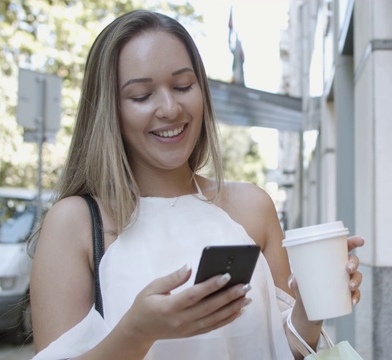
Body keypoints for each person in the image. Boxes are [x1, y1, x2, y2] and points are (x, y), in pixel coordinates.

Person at [28, 9, 364, 360]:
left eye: (183, 86)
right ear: (109, 109)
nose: (170, 108)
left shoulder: (252, 207)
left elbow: (284, 350)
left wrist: (313, 305)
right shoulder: (76, 223)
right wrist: (137, 332)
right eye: (142, 95)